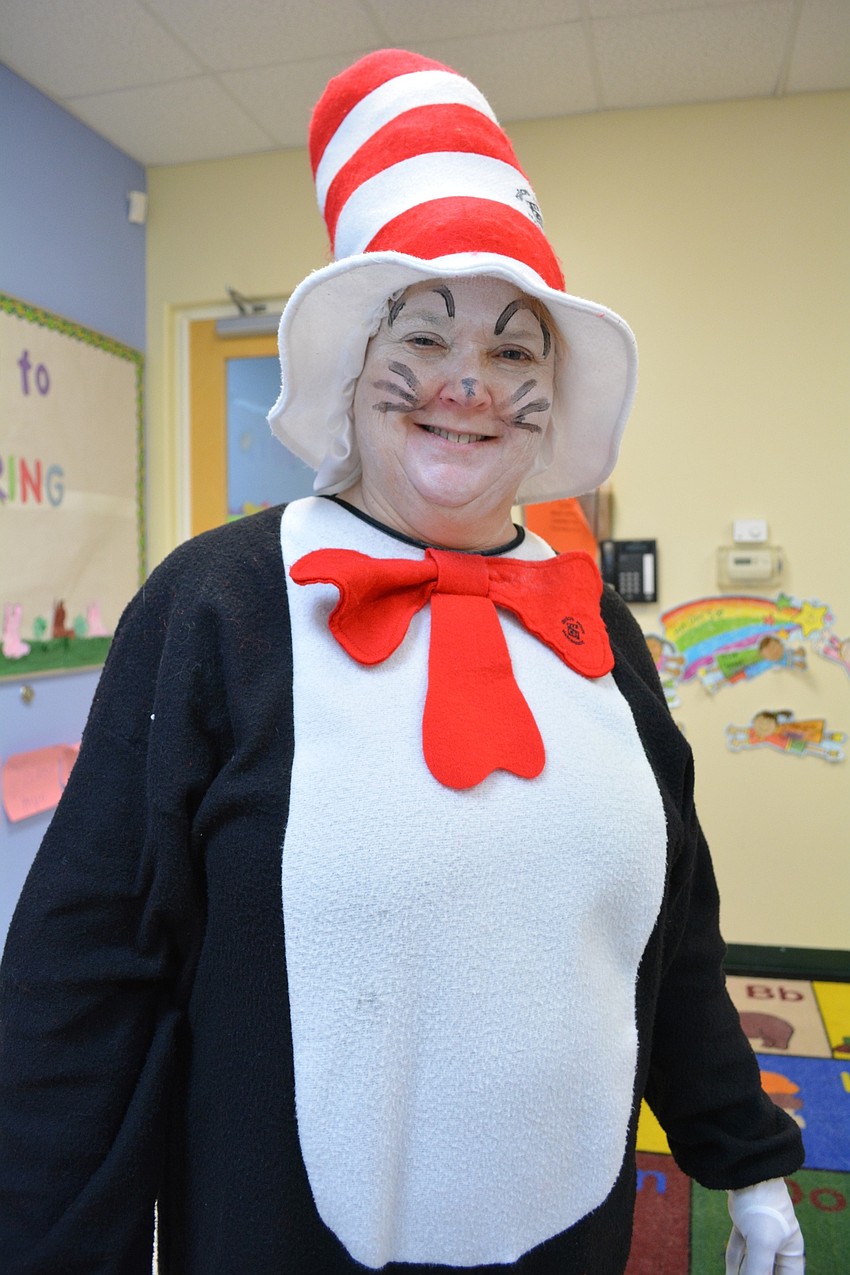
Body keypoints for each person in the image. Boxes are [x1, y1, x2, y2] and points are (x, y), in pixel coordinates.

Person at [0, 49, 805, 1275]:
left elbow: (669, 926)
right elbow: (86, 981)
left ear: (551, 394)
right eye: (423, 336)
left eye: (514, 352)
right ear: (350, 372)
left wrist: (741, 1156)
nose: (466, 383)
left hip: (570, 1239)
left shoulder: (597, 623)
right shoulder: (216, 607)